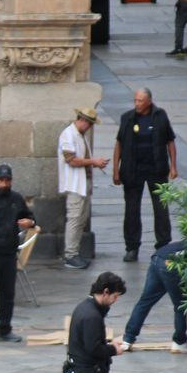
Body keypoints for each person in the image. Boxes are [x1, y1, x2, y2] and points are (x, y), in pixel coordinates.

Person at [112, 87, 178, 262]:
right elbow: (118, 143)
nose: (136, 104)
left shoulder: (160, 116)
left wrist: (173, 166)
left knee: (161, 208)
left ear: (149, 101)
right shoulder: (127, 118)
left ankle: (163, 245)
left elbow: (170, 141)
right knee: (132, 210)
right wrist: (115, 170)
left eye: (140, 101)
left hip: (156, 169)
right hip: (133, 170)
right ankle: (132, 247)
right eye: (135, 100)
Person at [0, 164, 35, 342]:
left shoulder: (16, 199)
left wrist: (29, 222)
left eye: (7, 180)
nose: (4, 183)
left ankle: (5, 328)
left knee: (8, 293)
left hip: (9, 252)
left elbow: (30, 217)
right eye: (1, 180)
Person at [119, 239, 187, 354]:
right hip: (170, 263)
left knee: (145, 301)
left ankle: (127, 339)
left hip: (157, 258)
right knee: (181, 304)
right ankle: (179, 342)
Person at [58, 106, 107, 270]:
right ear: (84, 121)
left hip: (83, 184)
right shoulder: (68, 134)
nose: (91, 127)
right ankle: (70, 255)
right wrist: (93, 162)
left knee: (81, 219)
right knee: (74, 219)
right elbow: (71, 160)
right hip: (74, 185)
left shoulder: (81, 136)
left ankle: (75, 252)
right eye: (90, 124)